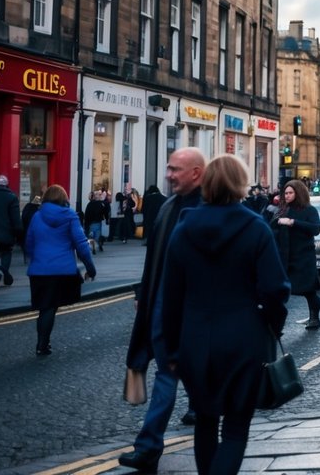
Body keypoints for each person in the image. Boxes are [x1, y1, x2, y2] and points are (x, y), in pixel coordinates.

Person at [162, 154, 289, 475]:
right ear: (240, 184)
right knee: (234, 428)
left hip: (195, 342)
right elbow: (275, 289)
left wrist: (171, 350)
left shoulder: (183, 229)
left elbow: (171, 296)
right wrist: (272, 327)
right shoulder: (256, 228)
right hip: (243, 341)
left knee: (205, 421)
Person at [120, 148, 207, 473]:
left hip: (196, 310)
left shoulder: (210, 207)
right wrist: (143, 293)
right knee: (166, 373)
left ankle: (190, 431)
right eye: (168, 168)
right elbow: (153, 257)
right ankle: (148, 446)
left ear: (196, 173)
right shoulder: (169, 207)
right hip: (161, 304)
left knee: (184, 373)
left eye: (175, 170)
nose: (168, 174)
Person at [25, 185, 97, 356]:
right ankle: (43, 344)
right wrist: (90, 268)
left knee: (45, 307)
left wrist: (36, 259)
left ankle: (42, 343)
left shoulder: (37, 216)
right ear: (63, 198)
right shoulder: (70, 215)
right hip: (62, 270)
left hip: (39, 270)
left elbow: (29, 242)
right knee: (51, 307)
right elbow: (81, 245)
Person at [271, 179, 320, 329]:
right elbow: (271, 228)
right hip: (285, 256)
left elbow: (315, 229)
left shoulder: (309, 210)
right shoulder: (282, 210)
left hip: (303, 257)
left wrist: (293, 222)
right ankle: (274, 322)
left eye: (290, 193)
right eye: (285, 193)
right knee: (280, 290)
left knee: (307, 290)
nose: (286, 196)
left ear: (298, 193)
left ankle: (314, 317)